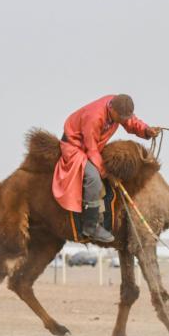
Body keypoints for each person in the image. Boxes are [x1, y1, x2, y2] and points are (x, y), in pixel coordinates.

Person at [52, 94, 158, 243]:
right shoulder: (94, 117)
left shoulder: (119, 106)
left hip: (93, 144)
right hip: (76, 147)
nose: (124, 121)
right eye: (121, 117)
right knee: (94, 179)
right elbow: (91, 149)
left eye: (126, 117)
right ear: (112, 110)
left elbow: (131, 121)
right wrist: (106, 173)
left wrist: (146, 130)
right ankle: (90, 226)